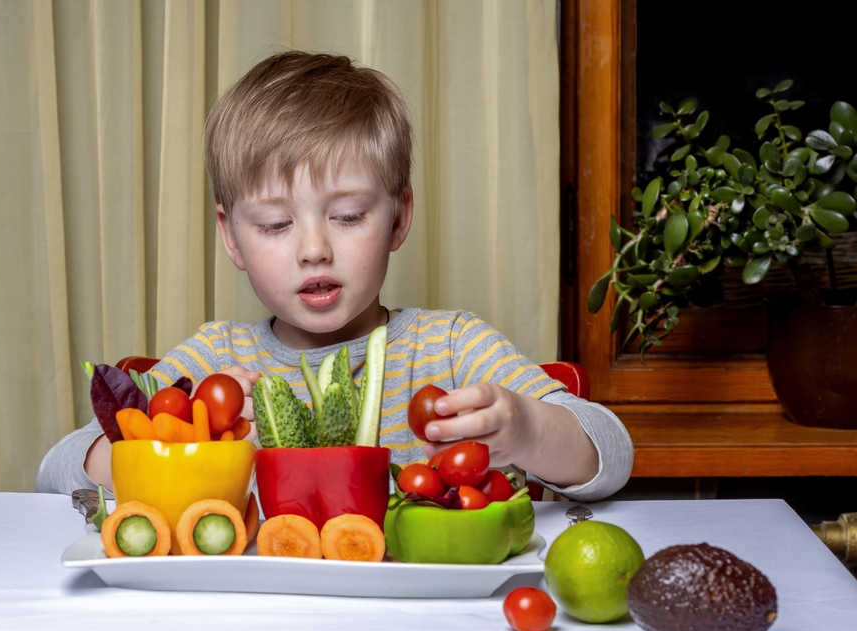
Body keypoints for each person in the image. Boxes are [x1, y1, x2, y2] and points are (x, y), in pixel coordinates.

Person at [36, 51, 632, 502]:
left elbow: (611, 451)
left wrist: (528, 432)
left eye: (347, 217)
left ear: (399, 218)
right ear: (230, 237)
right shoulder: (215, 357)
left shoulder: (451, 346)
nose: (314, 249)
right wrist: (168, 452)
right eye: (274, 224)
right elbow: (56, 471)